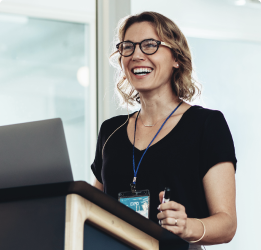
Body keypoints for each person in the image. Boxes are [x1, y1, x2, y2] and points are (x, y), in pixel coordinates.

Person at [91, 11, 237, 249]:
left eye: (150, 45)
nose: (137, 55)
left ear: (176, 58)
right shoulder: (110, 131)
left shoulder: (207, 125)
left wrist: (186, 226)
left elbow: (227, 224)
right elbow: (91, 209)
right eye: (128, 47)